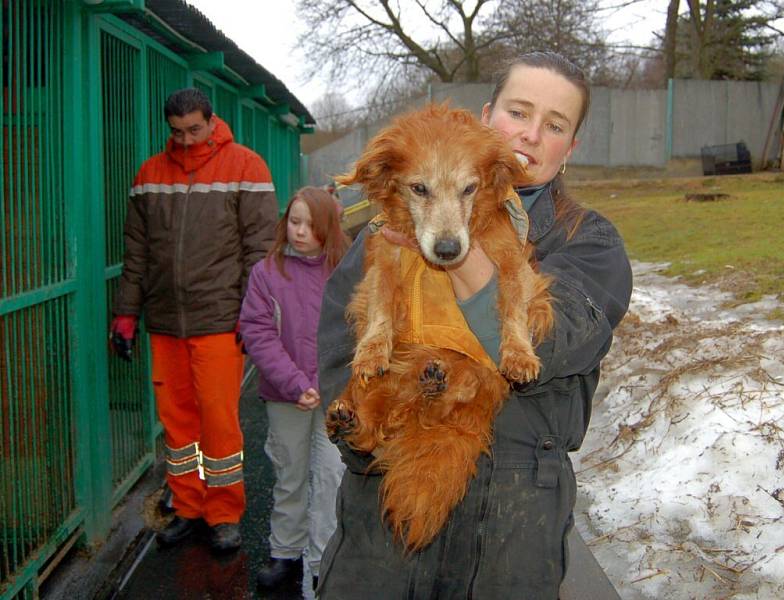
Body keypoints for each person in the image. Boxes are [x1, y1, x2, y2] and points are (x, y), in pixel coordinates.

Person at [315, 51, 633, 598]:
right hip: (381, 537)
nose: (531, 135)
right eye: (518, 111)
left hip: (510, 540)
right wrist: (366, 436)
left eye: (554, 125)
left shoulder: (590, 241)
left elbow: (554, 347)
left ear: (570, 148)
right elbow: (339, 354)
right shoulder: (388, 229)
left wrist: (457, 252)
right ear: (486, 117)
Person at [110, 88, 277, 553]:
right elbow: (137, 251)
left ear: (212, 121)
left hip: (219, 319)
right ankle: (187, 506)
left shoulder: (246, 167)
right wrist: (126, 313)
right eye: (177, 131)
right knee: (177, 425)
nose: (185, 140)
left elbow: (259, 250)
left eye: (195, 130)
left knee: (219, 422)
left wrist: (253, 312)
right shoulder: (149, 174)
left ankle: (224, 513)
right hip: (164, 320)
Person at [238, 187, 350, 591]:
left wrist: (324, 382)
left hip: (335, 396)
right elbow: (258, 333)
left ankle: (322, 558)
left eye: (310, 225)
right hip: (286, 396)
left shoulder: (346, 270)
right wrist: (297, 383)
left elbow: (354, 330)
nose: (300, 232)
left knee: (331, 476)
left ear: (328, 228)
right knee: (289, 474)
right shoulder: (267, 273)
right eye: (294, 221)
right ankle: (285, 553)